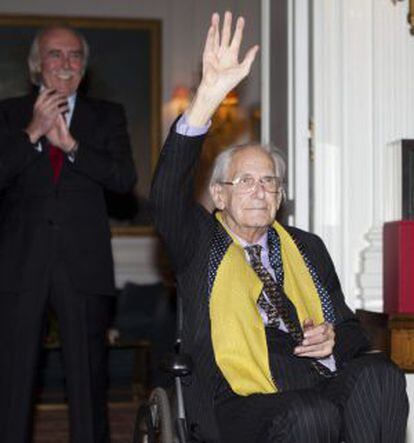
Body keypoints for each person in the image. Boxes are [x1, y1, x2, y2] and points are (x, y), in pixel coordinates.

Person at [151, 11, 409, 443]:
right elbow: (164, 197)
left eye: (269, 181)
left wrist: (330, 339)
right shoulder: (200, 244)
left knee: (380, 373)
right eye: (245, 181)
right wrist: (206, 99)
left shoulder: (306, 247)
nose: (258, 191)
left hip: (316, 380)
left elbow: (350, 330)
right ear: (219, 195)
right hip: (237, 395)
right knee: (311, 413)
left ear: (280, 194)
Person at [0, 26, 136, 443]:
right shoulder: (7, 114)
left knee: (88, 385)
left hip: (84, 265)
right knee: (11, 386)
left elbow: (123, 179)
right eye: (55, 55)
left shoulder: (107, 116)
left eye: (74, 55)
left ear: (84, 66)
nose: (65, 63)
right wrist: (33, 133)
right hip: (20, 267)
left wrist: (73, 144)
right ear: (36, 66)